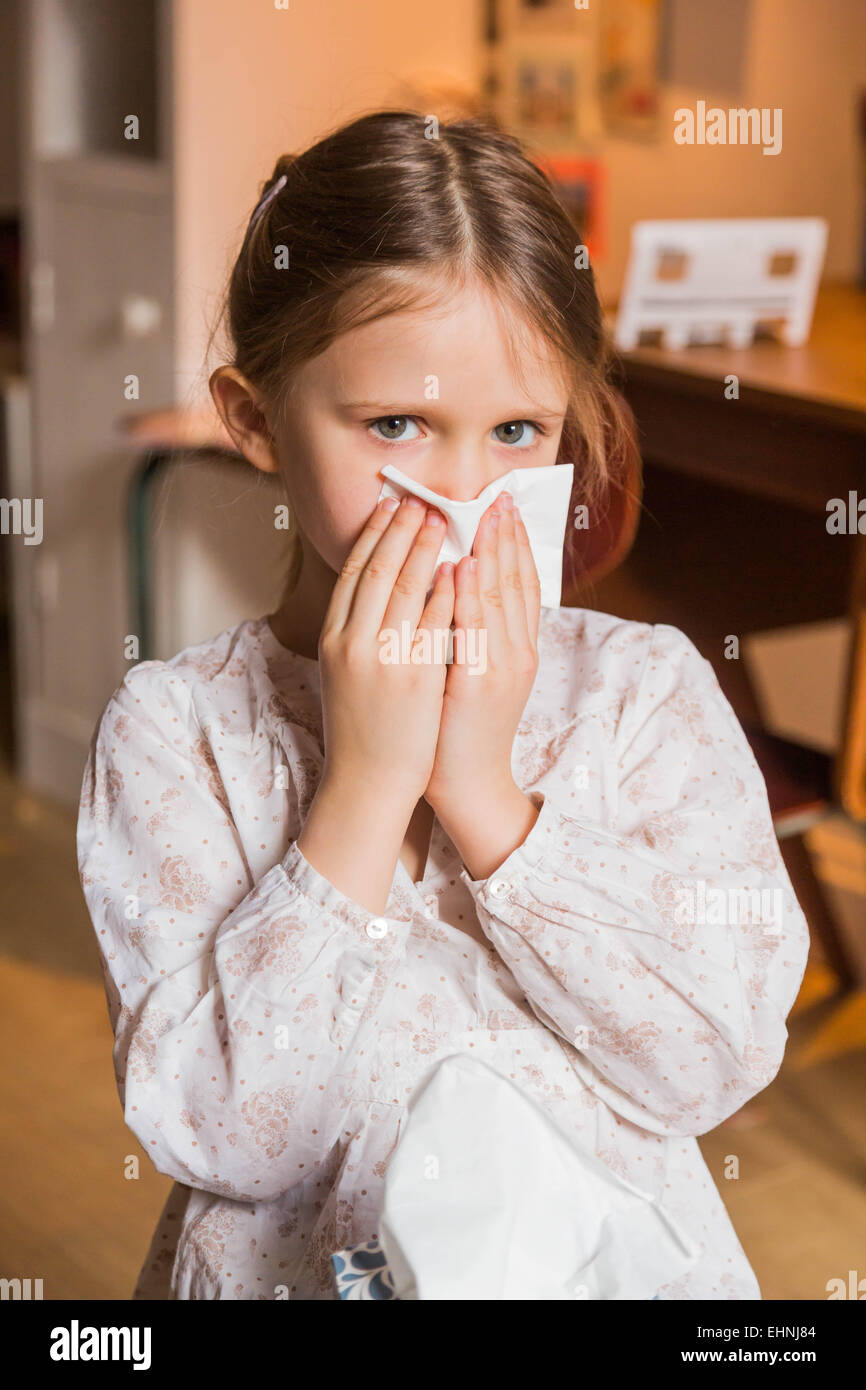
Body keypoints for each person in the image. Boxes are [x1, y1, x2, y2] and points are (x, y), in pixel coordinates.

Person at [76, 111, 810, 1300]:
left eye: (515, 432)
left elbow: (707, 1065)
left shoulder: (641, 695)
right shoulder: (174, 735)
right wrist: (362, 793)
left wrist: (486, 797)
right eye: (396, 426)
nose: (462, 497)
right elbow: (220, 1135)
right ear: (255, 419)